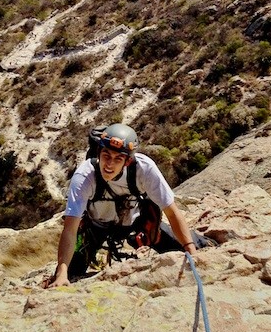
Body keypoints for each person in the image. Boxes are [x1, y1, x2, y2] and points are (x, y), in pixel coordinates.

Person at [46, 123, 208, 288]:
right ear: (98, 153)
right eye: (106, 156)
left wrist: (190, 250)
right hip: (95, 228)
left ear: (128, 161)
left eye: (118, 159)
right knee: (72, 271)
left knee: (195, 247)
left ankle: (204, 242)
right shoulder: (85, 176)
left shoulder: (144, 169)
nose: (109, 164)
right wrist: (61, 274)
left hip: (136, 224)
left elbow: (171, 212)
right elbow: (70, 228)